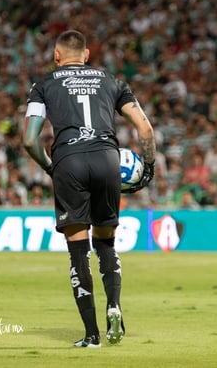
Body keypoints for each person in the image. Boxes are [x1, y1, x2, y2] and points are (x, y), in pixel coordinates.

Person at [23, 30, 156, 348]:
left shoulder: (43, 85)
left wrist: (52, 169)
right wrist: (148, 168)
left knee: (78, 251)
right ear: (86, 55)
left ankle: (92, 335)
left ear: (56, 56)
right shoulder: (111, 80)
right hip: (107, 158)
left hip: (69, 160)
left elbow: (29, 140)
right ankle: (114, 305)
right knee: (107, 245)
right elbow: (145, 128)